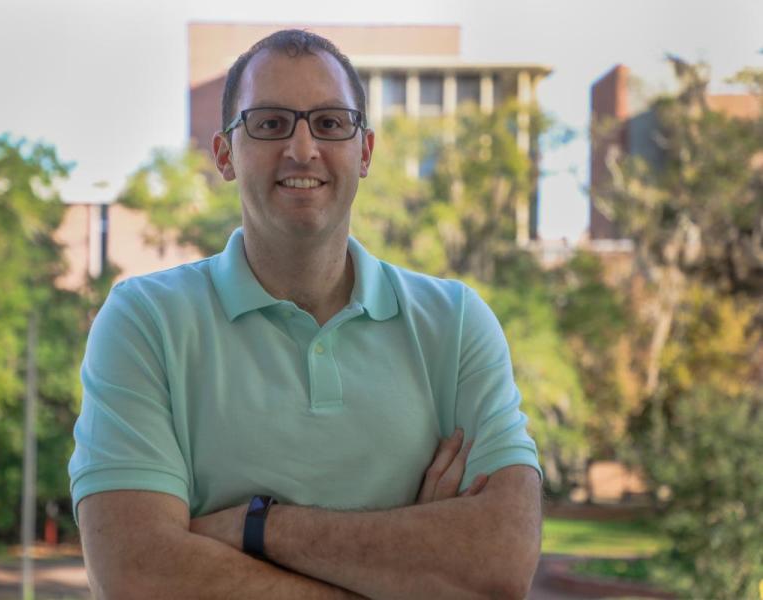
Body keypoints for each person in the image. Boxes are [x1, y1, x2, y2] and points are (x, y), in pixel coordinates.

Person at [69, 29, 542, 599]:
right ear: (224, 154)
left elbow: (502, 558)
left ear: (364, 151)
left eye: (330, 123)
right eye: (269, 123)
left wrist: (257, 527)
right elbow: (138, 576)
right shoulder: (145, 322)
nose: (301, 148)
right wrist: (408, 562)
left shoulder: (455, 322)